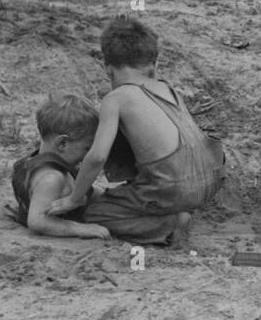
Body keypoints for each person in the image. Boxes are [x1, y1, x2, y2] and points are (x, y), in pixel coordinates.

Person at [43, 17, 228, 248]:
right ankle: (172, 208)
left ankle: (168, 225)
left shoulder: (116, 98)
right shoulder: (167, 88)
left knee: (95, 213)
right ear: (153, 64)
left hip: (173, 189)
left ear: (108, 70)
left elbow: (98, 157)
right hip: (210, 181)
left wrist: (74, 197)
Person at [8, 95, 111, 240]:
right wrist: (79, 228)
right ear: (62, 143)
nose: (89, 155)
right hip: (67, 221)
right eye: (87, 148)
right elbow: (37, 220)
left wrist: (110, 195)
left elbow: (89, 191)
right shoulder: (51, 179)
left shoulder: (29, 162)